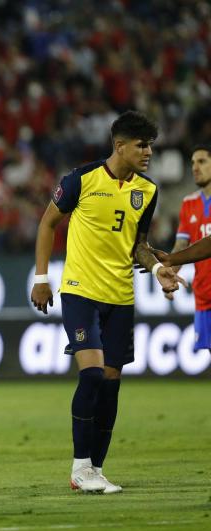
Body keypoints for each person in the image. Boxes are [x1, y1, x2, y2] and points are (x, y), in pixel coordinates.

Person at [30, 111, 182, 493]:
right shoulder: (81, 179)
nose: (148, 152)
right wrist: (41, 278)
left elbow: (139, 247)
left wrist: (158, 267)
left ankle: (95, 470)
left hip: (121, 295)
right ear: (120, 145)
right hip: (81, 290)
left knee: (111, 385)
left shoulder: (147, 190)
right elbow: (48, 222)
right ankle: (80, 468)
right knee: (93, 374)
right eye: (142, 145)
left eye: (150, 145)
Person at [158, 145, 211, 346]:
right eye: (192, 163)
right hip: (204, 295)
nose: (195, 168)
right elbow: (180, 246)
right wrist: (169, 274)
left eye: (202, 161)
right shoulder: (189, 203)